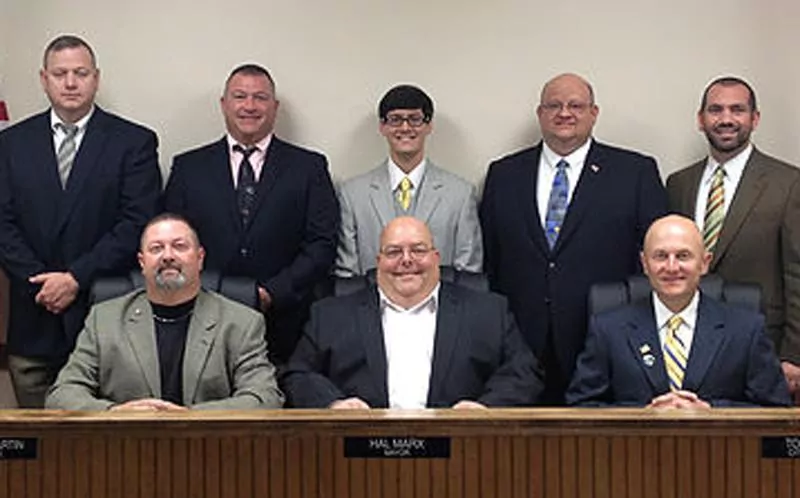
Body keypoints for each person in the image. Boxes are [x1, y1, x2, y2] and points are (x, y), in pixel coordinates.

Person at [479, 73, 667, 404]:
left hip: (607, 338)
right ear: (540, 114)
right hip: (521, 344)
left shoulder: (635, 172)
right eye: (554, 105)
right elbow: (491, 261)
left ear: (594, 113)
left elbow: (655, 259)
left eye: (576, 105)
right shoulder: (504, 174)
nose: (564, 113)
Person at [0, 35, 161, 407]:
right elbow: (3, 224)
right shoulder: (10, 144)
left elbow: (137, 223)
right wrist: (42, 283)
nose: (70, 83)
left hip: (103, 318)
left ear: (96, 78)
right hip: (33, 316)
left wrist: (74, 278)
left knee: (105, 439)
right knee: (39, 440)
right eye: (60, 74)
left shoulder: (133, 142)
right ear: (44, 80)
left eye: (81, 73)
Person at [163, 63, 339, 364]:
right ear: (224, 104)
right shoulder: (188, 167)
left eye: (260, 97)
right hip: (203, 316)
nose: (249, 106)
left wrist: (273, 293)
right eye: (240, 96)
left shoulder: (309, 167)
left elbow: (322, 244)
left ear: (275, 106)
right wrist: (211, 292)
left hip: (288, 322)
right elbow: (173, 240)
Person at [281, 216, 542, 409]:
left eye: (418, 250)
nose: (407, 260)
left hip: (462, 451)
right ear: (379, 262)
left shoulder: (488, 312)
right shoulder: (330, 316)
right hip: (360, 452)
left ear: (436, 257)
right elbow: (297, 374)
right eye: (394, 251)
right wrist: (334, 404)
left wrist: (485, 408)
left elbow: (524, 372)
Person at [46, 214, 283, 410]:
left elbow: (265, 398)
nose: (168, 256)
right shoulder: (104, 320)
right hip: (126, 446)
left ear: (200, 258)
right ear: (142, 262)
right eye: (156, 248)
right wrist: (116, 413)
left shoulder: (242, 322)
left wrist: (188, 418)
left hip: (211, 447)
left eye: (179, 246)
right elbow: (62, 394)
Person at [666, 76, 800, 403]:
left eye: (737, 110)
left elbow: (797, 273)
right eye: (716, 110)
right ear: (701, 120)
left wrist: (793, 354)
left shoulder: (789, 183)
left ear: (755, 118)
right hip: (687, 349)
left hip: (764, 346)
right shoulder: (679, 183)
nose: (726, 119)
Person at [566, 215, 791, 408]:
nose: (672, 267)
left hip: (720, 446)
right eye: (660, 256)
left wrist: (712, 412)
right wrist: (643, 416)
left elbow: (777, 411)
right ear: (644, 263)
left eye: (683, 256)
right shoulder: (608, 329)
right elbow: (580, 406)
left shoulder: (746, 329)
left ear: (704, 263)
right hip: (635, 445)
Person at [335, 84, 481, 277]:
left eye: (415, 119)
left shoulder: (460, 194)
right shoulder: (353, 195)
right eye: (395, 120)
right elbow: (348, 275)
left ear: (429, 125)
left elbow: (468, 273)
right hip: (372, 296)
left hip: (442, 296)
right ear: (382, 127)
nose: (405, 128)